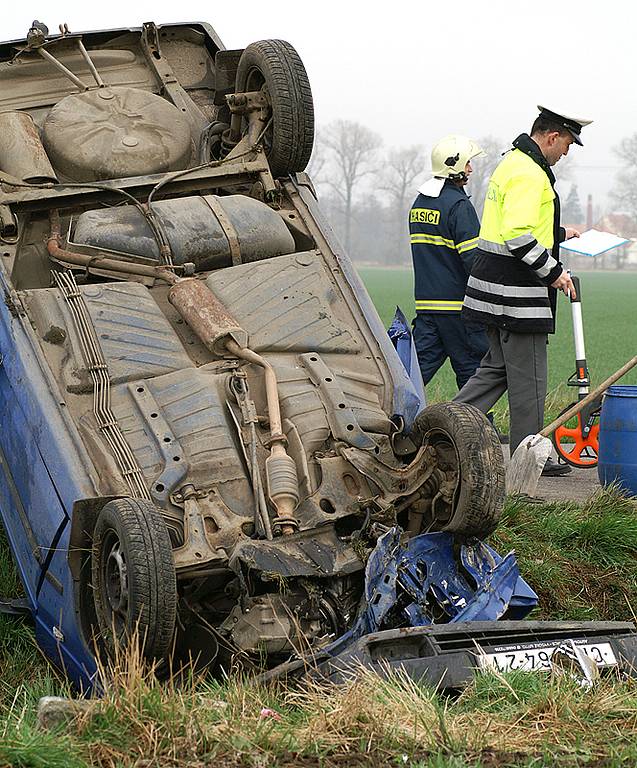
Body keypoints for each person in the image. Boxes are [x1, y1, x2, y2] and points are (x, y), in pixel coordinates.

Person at [454, 106, 592, 476]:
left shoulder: (511, 163)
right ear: (551, 137)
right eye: (566, 144)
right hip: (516, 296)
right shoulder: (531, 174)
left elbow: (512, 226)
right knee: (530, 382)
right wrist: (555, 274)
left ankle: (442, 428)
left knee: (494, 371)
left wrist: (560, 235)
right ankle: (528, 462)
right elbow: (517, 236)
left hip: (492, 290)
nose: (566, 153)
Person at [410, 135, 491, 395]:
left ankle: (385, 422)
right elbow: (474, 261)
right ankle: (479, 431)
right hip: (458, 309)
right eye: (467, 164)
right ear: (453, 166)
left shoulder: (419, 204)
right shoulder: (458, 205)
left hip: (427, 307)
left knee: (411, 375)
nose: (470, 169)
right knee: (472, 373)